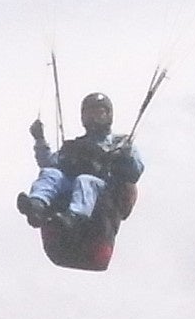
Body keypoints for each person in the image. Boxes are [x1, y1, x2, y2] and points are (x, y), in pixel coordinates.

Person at [16, 91, 144, 244]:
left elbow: (136, 171)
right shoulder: (75, 145)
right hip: (72, 188)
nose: (93, 118)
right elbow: (50, 164)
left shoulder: (120, 143)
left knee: (84, 181)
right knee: (51, 174)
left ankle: (74, 217)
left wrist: (126, 157)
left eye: (99, 113)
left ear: (109, 115)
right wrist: (39, 139)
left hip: (103, 192)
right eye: (89, 114)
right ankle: (37, 205)